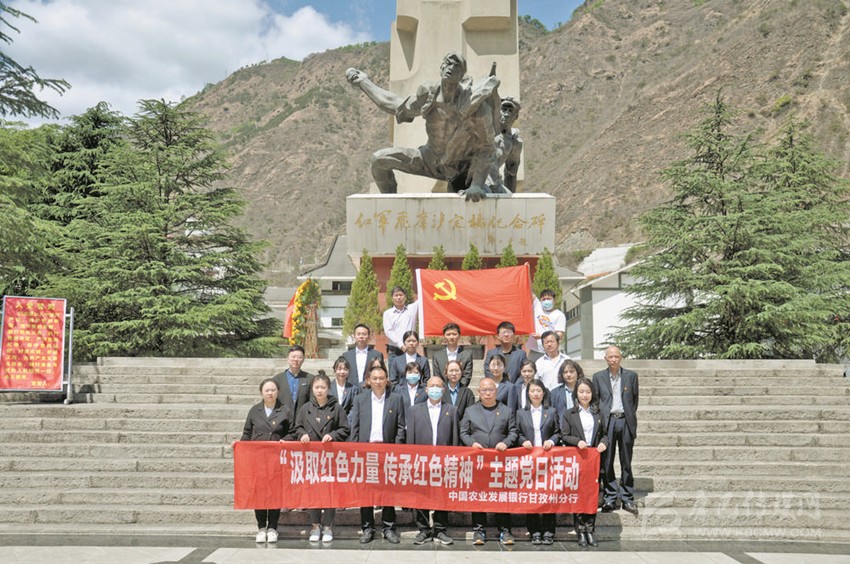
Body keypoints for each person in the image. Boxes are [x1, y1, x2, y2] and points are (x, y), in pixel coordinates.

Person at [346, 52, 501, 202]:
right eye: (448, 63)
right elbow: (394, 104)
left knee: (477, 200)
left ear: (461, 75)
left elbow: (487, 148)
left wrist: (476, 185)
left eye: (457, 66)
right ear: (441, 67)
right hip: (429, 160)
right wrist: (364, 82)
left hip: (461, 168)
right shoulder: (429, 95)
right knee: (379, 160)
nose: (451, 67)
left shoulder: (475, 107)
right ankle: (390, 206)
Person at [349, 365, 406, 544]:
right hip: (366, 451)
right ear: (368, 380)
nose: (378, 381)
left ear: (387, 380)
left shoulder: (395, 399)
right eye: (375, 378)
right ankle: (367, 528)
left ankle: (389, 528)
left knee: (388, 491)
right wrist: (355, 450)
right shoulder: (360, 399)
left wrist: (397, 449)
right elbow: (355, 427)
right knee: (365, 491)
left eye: (382, 378)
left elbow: (400, 427)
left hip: (387, 451)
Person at [234, 378, 295, 544]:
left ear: (278, 392)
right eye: (267, 390)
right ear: (261, 392)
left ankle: (273, 527)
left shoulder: (285, 410)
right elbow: (247, 433)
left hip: (277, 459)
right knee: (259, 493)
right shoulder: (255, 410)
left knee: (275, 493)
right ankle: (261, 527)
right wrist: (240, 446)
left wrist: (285, 440)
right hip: (258, 459)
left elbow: (293, 432)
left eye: (273, 390)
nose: (270, 393)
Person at [460, 377, 518, 545]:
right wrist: (472, 443)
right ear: (479, 392)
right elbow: (464, 432)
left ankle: (505, 530)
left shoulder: (506, 410)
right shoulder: (470, 411)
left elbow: (513, 431)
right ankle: (479, 530)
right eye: (484, 390)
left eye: (491, 390)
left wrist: (506, 443)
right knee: (478, 496)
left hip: (500, 462)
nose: (487, 393)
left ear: (496, 391)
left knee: (501, 496)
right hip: (478, 462)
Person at [294, 371, 350, 543]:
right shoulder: (305, 408)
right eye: (316, 387)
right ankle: (315, 525)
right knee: (313, 491)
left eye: (323, 387)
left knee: (329, 491)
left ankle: (328, 526)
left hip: (330, 457)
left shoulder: (336, 407)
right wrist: (302, 434)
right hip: (311, 458)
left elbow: (345, 429)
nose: (319, 390)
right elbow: (297, 427)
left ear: (328, 389)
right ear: (312, 389)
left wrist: (332, 435)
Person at [406, 376, 460, 545]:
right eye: (432, 386)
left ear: (443, 390)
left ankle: (440, 529)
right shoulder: (415, 410)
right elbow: (410, 438)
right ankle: (423, 530)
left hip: (443, 461)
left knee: (441, 495)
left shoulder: (451, 410)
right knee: (421, 495)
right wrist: (411, 460)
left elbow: (455, 437)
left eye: (438, 386)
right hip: (421, 460)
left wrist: (453, 460)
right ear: (426, 389)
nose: (435, 388)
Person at [561, 377, 609, 547]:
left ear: (592, 394)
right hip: (578, 459)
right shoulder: (570, 414)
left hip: (594, 460)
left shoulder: (599, 413)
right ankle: (580, 530)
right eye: (581, 391)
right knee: (579, 496)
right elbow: (564, 435)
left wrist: (604, 443)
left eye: (588, 391)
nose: (585, 395)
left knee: (592, 496)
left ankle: (590, 530)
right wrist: (577, 441)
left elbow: (605, 434)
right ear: (576, 394)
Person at [592, 346, 639, 515]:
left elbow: (634, 401)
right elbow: (596, 400)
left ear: (621, 358)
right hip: (608, 421)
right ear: (605, 358)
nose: (613, 359)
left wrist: (628, 416)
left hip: (625, 420)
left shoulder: (631, 376)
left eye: (616, 356)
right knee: (607, 461)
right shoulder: (598, 377)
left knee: (626, 460)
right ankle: (610, 497)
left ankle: (627, 497)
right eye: (610, 357)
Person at [516, 378, 560, 545]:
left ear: (544, 393)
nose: (535, 394)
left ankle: (549, 531)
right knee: (532, 495)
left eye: (538, 391)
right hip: (529, 460)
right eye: (532, 391)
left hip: (548, 460)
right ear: (528, 393)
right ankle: (534, 530)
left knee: (549, 494)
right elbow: (516, 432)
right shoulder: (521, 413)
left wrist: (552, 441)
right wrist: (523, 441)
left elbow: (558, 432)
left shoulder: (552, 411)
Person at [486, 96, 523, 193]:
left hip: (495, 183)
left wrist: (512, 198)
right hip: (477, 180)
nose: (506, 114)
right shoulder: (486, 130)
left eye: (510, 111)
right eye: (504, 109)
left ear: (516, 116)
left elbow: (511, 174)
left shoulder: (514, 141)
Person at [272, 345, 314, 415]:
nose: (296, 359)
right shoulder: (277, 379)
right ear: (288, 358)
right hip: (282, 417)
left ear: (303, 359)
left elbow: (313, 401)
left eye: (299, 357)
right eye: (293, 357)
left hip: (303, 417)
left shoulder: (310, 378)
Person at [526, 290, 566, 362]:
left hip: (551, 352)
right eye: (544, 299)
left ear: (554, 300)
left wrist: (542, 336)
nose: (546, 301)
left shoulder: (559, 315)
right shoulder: (537, 306)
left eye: (549, 299)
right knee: (531, 368)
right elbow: (529, 290)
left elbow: (559, 334)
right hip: (535, 351)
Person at [382, 286, 418, 363]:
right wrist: (401, 345)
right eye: (396, 295)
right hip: (394, 352)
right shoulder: (388, 313)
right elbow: (389, 331)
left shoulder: (412, 309)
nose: (398, 297)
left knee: (411, 370)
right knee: (394, 371)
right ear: (392, 298)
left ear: (405, 297)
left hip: (410, 350)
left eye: (401, 295)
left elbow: (423, 297)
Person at [431, 322, 473, 387]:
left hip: (461, 390)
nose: (451, 337)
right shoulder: (437, 356)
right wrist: (446, 390)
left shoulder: (467, 355)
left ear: (459, 336)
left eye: (454, 334)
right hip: (443, 390)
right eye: (448, 334)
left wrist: (457, 389)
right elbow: (437, 376)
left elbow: (466, 376)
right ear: (444, 336)